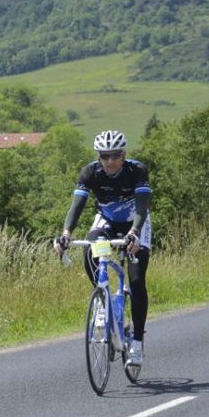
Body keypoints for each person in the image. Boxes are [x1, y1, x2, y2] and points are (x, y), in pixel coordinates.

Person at [56, 129, 152, 369]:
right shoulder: (90, 172)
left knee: (137, 281)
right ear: (99, 157)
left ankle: (137, 343)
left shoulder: (137, 170)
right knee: (91, 247)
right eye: (104, 156)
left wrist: (135, 232)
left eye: (115, 155)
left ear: (124, 154)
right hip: (106, 222)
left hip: (135, 223)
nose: (110, 161)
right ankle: (102, 299)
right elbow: (77, 206)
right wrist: (66, 233)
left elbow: (142, 206)